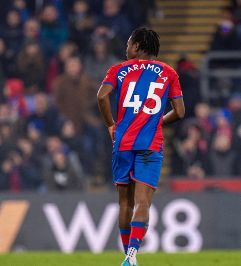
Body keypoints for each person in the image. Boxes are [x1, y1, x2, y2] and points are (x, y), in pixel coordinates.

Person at [97, 27, 185, 266]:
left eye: (128, 44)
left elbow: (102, 96)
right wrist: (157, 120)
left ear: (136, 46)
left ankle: (129, 258)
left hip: (123, 142)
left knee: (125, 203)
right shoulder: (168, 73)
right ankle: (132, 256)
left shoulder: (118, 70)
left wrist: (110, 125)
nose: (126, 48)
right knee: (142, 202)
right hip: (150, 144)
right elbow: (179, 112)